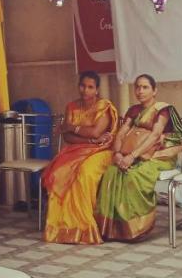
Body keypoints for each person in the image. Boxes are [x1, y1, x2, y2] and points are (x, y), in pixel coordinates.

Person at [95, 74, 182, 242]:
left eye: (145, 87)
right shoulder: (133, 110)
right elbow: (121, 133)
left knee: (133, 175)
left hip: (158, 157)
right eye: (137, 87)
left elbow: (154, 136)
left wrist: (132, 156)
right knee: (111, 172)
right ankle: (114, 229)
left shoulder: (162, 109)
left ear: (154, 91)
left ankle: (136, 229)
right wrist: (117, 153)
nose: (140, 91)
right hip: (131, 155)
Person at [40, 72, 119, 244]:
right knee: (58, 173)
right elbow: (69, 138)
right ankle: (60, 228)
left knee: (84, 173)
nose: (85, 90)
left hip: (101, 151)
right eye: (82, 86)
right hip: (76, 149)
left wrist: (71, 127)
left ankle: (84, 228)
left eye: (90, 87)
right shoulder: (71, 106)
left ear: (97, 90)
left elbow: (97, 132)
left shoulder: (103, 106)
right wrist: (88, 138)